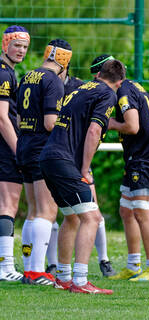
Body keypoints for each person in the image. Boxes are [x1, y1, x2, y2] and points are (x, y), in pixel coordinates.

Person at [39, 58, 125, 294]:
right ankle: (80, 281)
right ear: (119, 81)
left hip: (48, 157)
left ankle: (63, 277)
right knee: (92, 218)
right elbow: (95, 130)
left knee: (72, 217)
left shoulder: (81, 88)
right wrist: (85, 169)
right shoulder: (108, 94)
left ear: (98, 74)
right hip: (65, 161)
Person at [17, 38, 72, 285]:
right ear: (64, 60)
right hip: (42, 150)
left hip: (24, 146)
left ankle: (30, 269)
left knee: (32, 210)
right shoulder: (53, 81)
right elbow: (51, 123)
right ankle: (36, 271)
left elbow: (19, 120)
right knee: (47, 211)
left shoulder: (27, 76)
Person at [106, 57, 149, 282]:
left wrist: (110, 123)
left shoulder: (123, 93)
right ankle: (133, 265)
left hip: (144, 159)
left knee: (141, 211)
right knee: (126, 210)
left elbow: (132, 125)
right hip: (133, 158)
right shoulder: (133, 86)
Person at [0, 25, 30, 281]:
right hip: (5, 147)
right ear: (5, 44)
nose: (21, 50)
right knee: (7, 205)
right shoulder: (3, 74)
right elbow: (2, 118)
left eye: (24, 47)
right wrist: (19, 151)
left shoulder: (9, 72)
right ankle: (5, 267)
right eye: (16, 45)